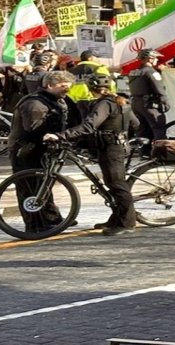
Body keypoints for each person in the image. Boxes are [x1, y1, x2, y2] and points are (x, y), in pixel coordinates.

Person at [43, 74, 132, 235]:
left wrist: (62, 135)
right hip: (116, 145)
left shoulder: (104, 104)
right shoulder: (120, 101)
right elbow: (135, 123)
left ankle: (127, 223)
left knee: (117, 184)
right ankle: (116, 218)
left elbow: (89, 126)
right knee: (112, 183)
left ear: (91, 89)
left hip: (111, 148)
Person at [8, 70, 75, 233]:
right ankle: (34, 225)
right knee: (29, 186)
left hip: (41, 148)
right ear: (50, 85)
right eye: (63, 86)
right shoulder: (35, 104)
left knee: (44, 184)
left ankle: (51, 218)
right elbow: (33, 130)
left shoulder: (56, 99)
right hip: (25, 150)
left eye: (69, 86)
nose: (67, 90)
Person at [128, 49, 168, 143]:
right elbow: (159, 89)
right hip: (149, 104)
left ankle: (144, 154)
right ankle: (160, 153)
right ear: (150, 59)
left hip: (136, 104)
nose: (157, 60)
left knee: (142, 130)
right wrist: (165, 103)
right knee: (159, 127)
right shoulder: (152, 72)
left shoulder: (133, 72)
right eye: (156, 58)